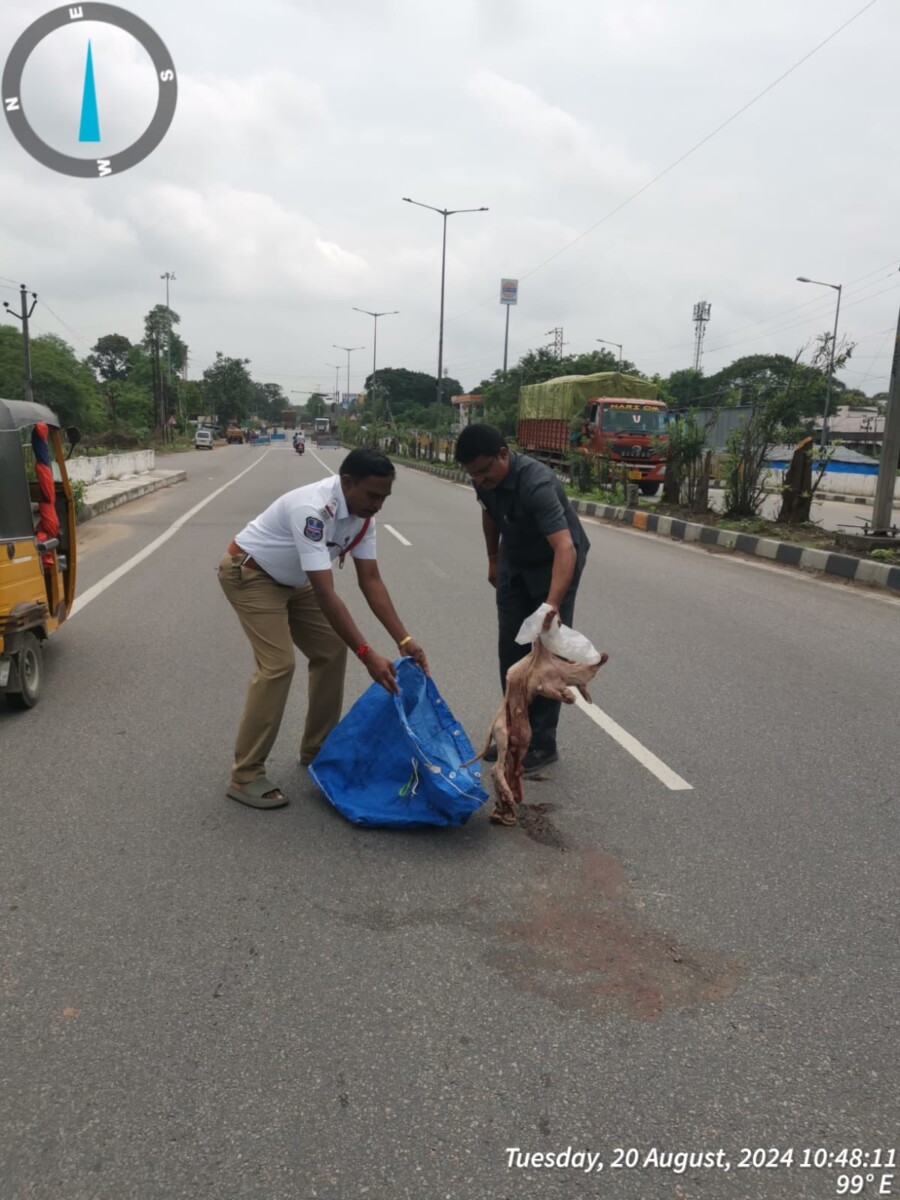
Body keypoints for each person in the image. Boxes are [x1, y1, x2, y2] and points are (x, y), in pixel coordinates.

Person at [218, 447, 428, 809]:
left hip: (294, 580)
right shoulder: (312, 509)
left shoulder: (363, 517)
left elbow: (371, 579)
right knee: (278, 666)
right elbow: (327, 593)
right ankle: (245, 774)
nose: (378, 505)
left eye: (384, 497)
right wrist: (367, 654)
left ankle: (318, 750)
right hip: (251, 573)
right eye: (372, 495)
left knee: (331, 651)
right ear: (347, 483)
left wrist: (403, 638)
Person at [455, 424, 590, 774]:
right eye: (474, 474)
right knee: (513, 652)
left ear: (504, 454)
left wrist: (552, 604)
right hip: (515, 560)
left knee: (546, 653)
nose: (481, 479)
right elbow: (488, 511)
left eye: (485, 471)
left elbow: (565, 546)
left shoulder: (536, 483)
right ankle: (514, 731)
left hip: (554, 564)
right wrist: (493, 559)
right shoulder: (483, 481)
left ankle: (543, 743)